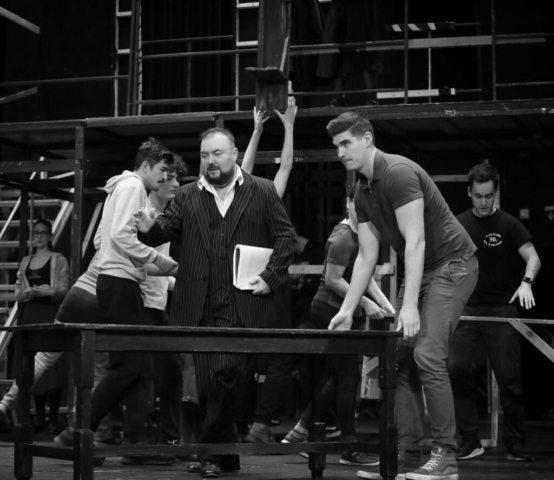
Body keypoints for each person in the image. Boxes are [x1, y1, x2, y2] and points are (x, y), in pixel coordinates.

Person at [135, 127, 296, 478]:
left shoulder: (262, 190)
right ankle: (227, 455)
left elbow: (286, 237)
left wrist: (270, 277)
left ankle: (209, 453)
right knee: (210, 383)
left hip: (241, 303)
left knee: (223, 375)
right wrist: (149, 227)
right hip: (199, 305)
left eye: (217, 153)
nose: (210, 161)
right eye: (205, 155)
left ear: (234, 154)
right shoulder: (188, 194)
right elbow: (166, 230)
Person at [325, 112, 478, 480]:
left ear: (367, 138)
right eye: (336, 146)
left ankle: (445, 457)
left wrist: (409, 305)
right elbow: (367, 256)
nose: (341, 152)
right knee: (401, 362)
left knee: (427, 355)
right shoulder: (362, 190)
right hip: (424, 270)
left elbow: (416, 240)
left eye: (346, 143)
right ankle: (407, 455)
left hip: (453, 264)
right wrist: (347, 309)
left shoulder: (398, 172)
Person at [54, 138, 179, 463]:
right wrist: (155, 258)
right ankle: (76, 432)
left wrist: (127, 259)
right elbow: (119, 235)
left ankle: (86, 434)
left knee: (134, 366)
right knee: (128, 365)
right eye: (162, 170)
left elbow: (102, 238)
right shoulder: (134, 186)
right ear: (146, 165)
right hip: (119, 283)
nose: (165, 177)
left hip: (118, 279)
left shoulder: (121, 187)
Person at [282, 190, 395, 468]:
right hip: (329, 309)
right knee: (347, 377)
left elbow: (363, 276)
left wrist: (385, 305)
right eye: (359, 204)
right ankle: (348, 447)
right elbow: (333, 280)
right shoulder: (343, 236)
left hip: (343, 308)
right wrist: (366, 303)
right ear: (348, 204)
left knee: (338, 376)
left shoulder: (362, 232)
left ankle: (300, 433)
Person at [448, 163, 540, 462]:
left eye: (489, 196)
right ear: (469, 192)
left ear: (495, 193)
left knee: (509, 379)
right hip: (467, 308)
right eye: (478, 196)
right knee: (456, 369)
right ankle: (469, 438)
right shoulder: (459, 223)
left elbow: (533, 258)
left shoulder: (509, 224)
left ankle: (515, 441)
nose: (484, 202)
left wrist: (526, 283)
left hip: (502, 308)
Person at [14, 218, 69, 435]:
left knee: (51, 366)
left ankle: (53, 418)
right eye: (36, 233)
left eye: (43, 233)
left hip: (49, 313)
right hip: (30, 315)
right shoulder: (26, 261)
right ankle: (38, 418)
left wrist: (50, 291)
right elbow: (17, 292)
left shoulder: (58, 259)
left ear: (50, 235)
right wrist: (26, 294)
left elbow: (65, 289)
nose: (39, 236)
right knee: (31, 361)